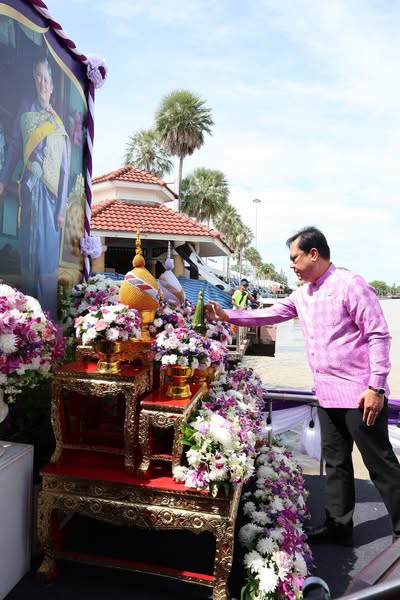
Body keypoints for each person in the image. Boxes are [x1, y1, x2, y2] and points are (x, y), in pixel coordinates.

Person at [206, 226, 400, 546]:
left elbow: (378, 335)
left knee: (379, 463)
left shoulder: (350, 284)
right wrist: (228, 315)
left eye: (294, 258)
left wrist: (376, 387)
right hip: (326, 393)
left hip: (360, 394)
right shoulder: (302, 295)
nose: (292, 266)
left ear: (313, 254)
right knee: (335, 463)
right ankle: (338, 527)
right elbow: (269, 314)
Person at [0, 57, 70, 318]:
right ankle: (27, 317)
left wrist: (61, 210)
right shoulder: (26, 111)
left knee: (45, 258)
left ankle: (46, 318)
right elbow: (14, 148)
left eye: (47, 78)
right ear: (34, 78)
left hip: (50, 201)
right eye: (39, 76)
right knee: (28, 255)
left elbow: (64, 171)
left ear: (52, 86)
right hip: (29, 193)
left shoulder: (58, 123)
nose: (43, 83)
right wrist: (3, 180)